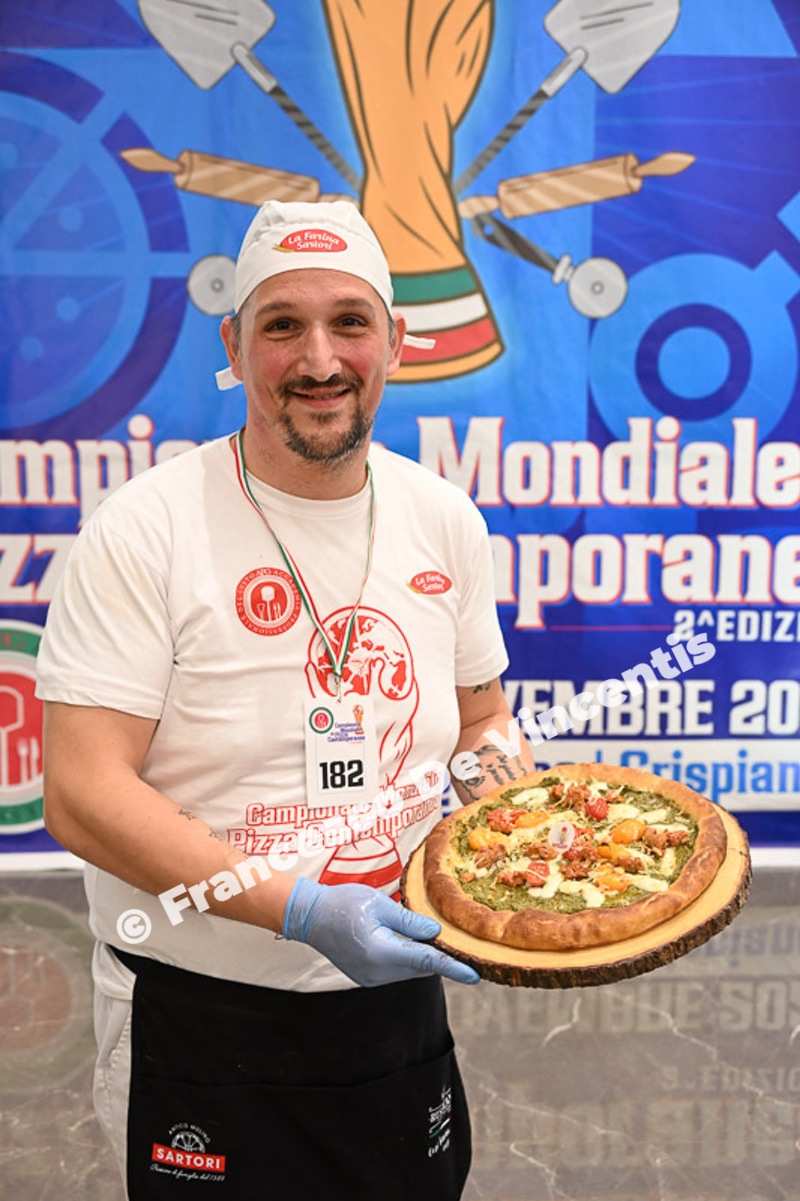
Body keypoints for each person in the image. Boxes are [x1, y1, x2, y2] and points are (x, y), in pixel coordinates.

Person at [36, 200, 535, 1201]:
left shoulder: (442, 519)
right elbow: (83, 795)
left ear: (395, 341)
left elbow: (481, 721)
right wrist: (299, 909)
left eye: (350, 322)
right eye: (281, 325)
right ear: (233, 345)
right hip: (198, 1013)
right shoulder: (145, 529)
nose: (319, 359)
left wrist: (519, 835)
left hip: (395, 1001)